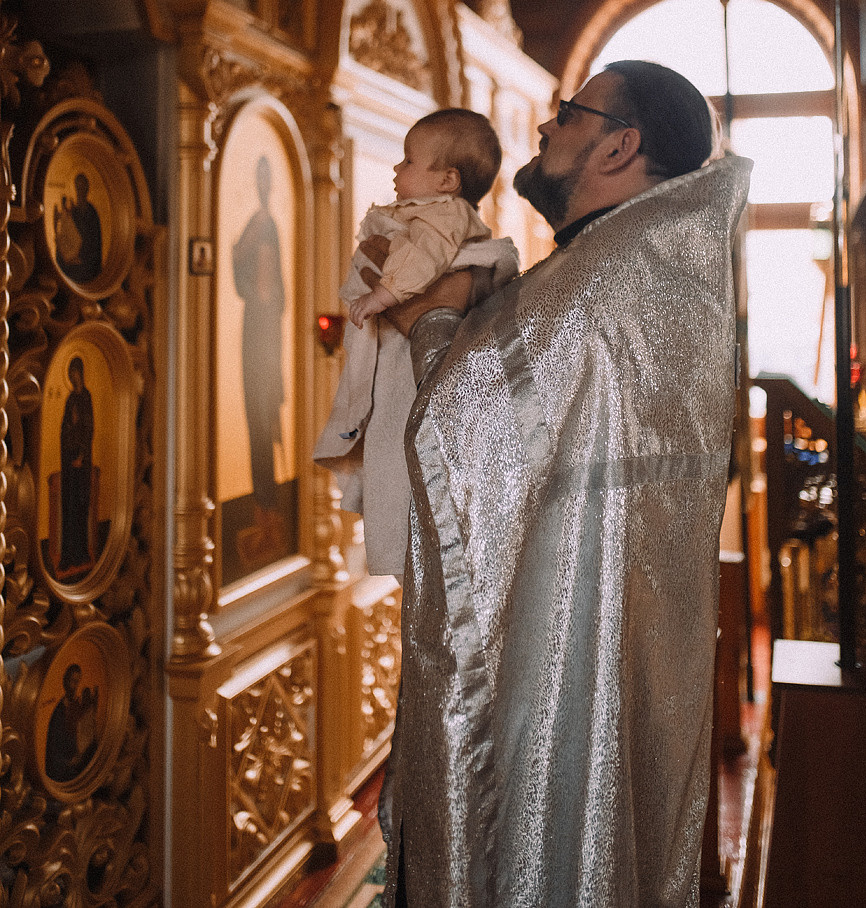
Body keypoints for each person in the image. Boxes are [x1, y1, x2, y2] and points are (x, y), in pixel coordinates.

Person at [377, 61, 752, 908]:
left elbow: (457, 429)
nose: (546, 127)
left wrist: (432, 320)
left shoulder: (588, 286)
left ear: (619, 146)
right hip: (618, 640)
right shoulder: (658, 269)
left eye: (568, 113)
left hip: (552, 663)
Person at [314, 109, 519, 578]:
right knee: (393, 457)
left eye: (408, 161)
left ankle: (406, 547)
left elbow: (423, 260)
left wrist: (384, 294)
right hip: (399, 357)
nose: (397, 168)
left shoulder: (444, 215)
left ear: (448, 180)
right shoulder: (425, 213)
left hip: (411, 369)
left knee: (401, 456)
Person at [232, 155, 287, 559]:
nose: (265, 185)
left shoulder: (272, 226)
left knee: (269, 420)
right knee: (258, 422)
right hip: (255, 333)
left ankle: (271, 514)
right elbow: (237, 262)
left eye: (269, 178)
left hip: (271, 334)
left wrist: (270, 297)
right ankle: (262, 511)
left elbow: (281, 290)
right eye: (260, 177)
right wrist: (253, 285)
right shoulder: (256, 224)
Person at [58, 355, 95, 574]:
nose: (73, 377)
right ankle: (67, 556)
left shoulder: (86, 398)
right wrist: (69, 427)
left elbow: (89, 430)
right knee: (68, 507)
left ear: (81, 373)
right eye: (70, 374)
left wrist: (81, 456)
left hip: (82, 462)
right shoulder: (70, 399)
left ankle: (80, 554)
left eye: (75, 373)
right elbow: (64, 429)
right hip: (68, 461)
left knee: (80, 507)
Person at [44, 662, 99, 783]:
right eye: (73, 681)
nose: (75, 686)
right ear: (65, 681)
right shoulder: (58, 711)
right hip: (63, 768)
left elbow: (84, 730)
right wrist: (68, 761)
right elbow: (53, 747)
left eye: (77, 682)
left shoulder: (76, 706)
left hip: (78, 762)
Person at [54, 172, 103, 284]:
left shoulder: (92, 213)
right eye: (78, 187)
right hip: (71, 260)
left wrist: (81, 255)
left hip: (87, 262)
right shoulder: (73, 212)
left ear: (87, 189)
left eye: (83, 188)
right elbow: (66, 233)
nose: (80, 191)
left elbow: (95, 242)